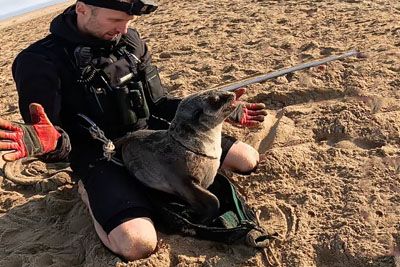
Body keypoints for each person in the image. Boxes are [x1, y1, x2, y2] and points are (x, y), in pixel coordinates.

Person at [0, 0, 267, 261]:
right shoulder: (38, 60)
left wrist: (220, 112)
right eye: (115, 20)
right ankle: (88, 189)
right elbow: (52, 135)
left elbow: (160, 104)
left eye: (128, 21)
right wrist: (48, 142)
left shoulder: (131, 42)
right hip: (96, 153)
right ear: (82, 9)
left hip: (151, 137)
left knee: (246, 159)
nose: (123, 29)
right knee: (137, 243)